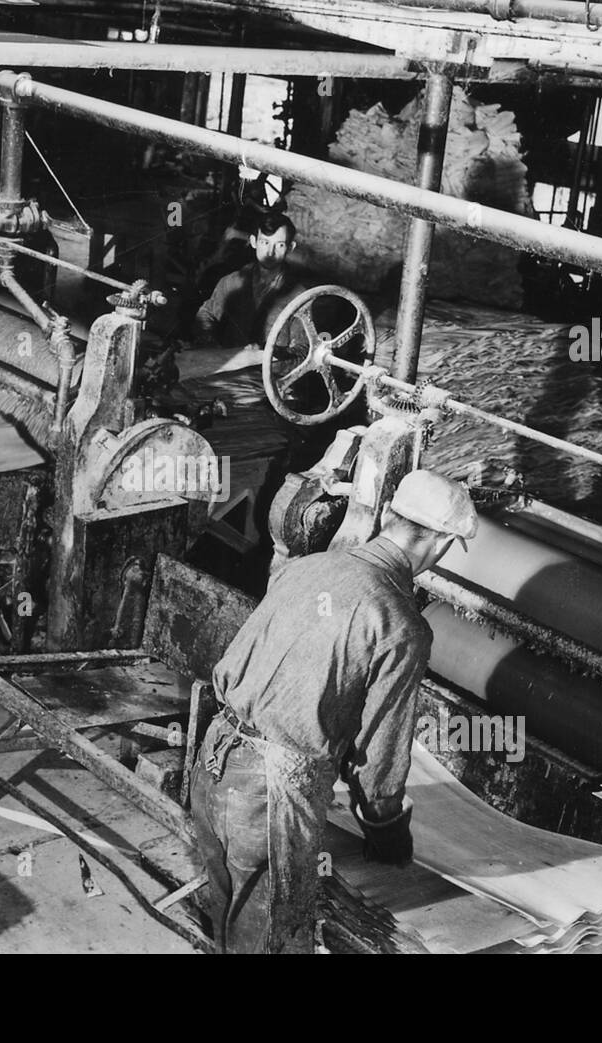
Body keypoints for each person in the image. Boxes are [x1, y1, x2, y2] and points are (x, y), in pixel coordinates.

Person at [189, 468, 479, 954]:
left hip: (215, 764)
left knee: (228, 919)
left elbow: (240, 659)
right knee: (274, 938)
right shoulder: (399, 622)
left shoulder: (306, 568)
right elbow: (380, 749)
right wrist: (386, 829)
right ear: (444, 544)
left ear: (388, 514)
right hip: (272, 794)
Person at [188, 211, 308, 353]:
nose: (270, 252)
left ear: (290, 248)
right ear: (253, 242)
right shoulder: (231, 282)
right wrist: (208, 341)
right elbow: (207, 313)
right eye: (265, 242)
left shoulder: (300, 296)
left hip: (271, 373)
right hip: (230, 369)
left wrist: (269, 352)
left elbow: (303, 350)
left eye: (280, 245)